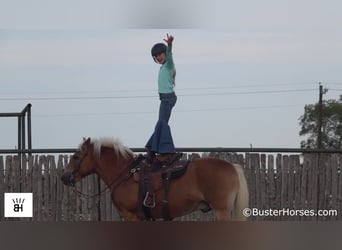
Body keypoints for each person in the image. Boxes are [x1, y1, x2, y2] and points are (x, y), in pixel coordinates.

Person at [145, 34, 182, 165]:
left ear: (165, 54)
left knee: (162, 123)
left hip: (168, 98)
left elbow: (170, 56)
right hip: (164, 99)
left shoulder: (169, 65)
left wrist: (170, 45)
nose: (159, 57)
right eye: (157, 56)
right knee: (161, 123)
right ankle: (152, 148)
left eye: (161, 54)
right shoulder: (163, 67)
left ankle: (166, 150)